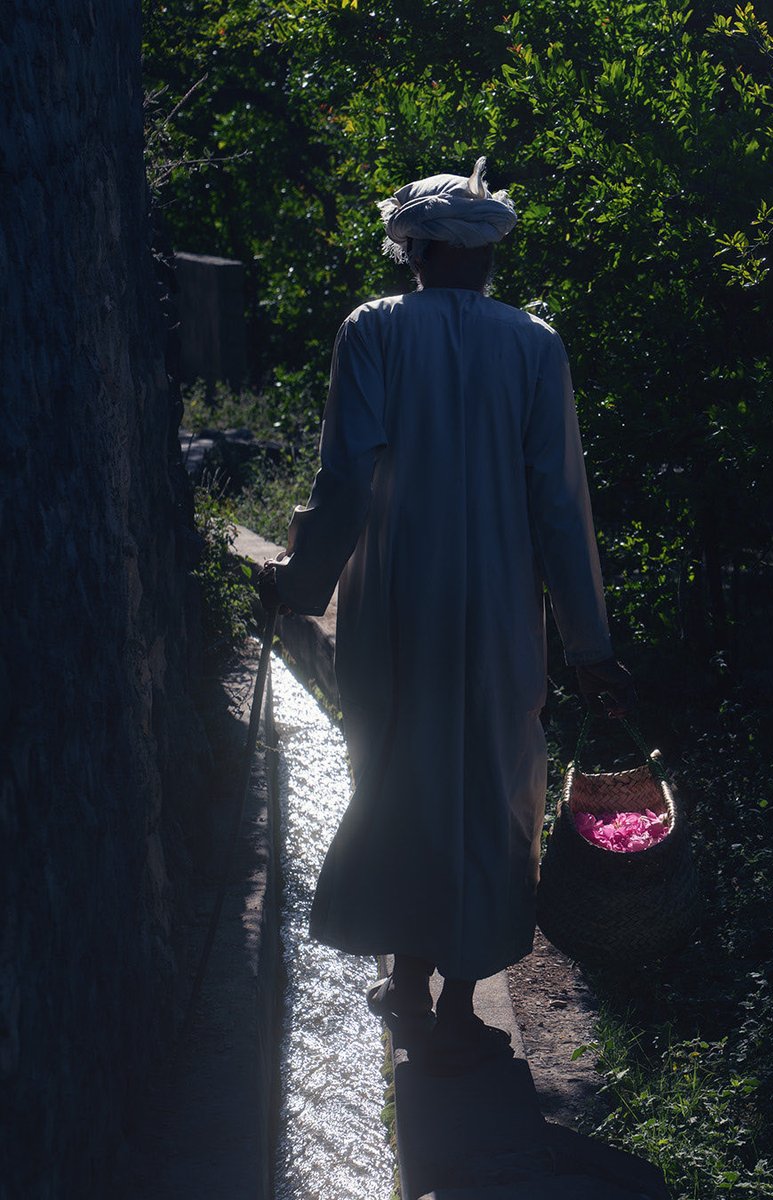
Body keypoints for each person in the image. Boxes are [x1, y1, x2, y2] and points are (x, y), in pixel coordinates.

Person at [259, 157, 634, 1074]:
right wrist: (589, 643)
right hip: (504, 606)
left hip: (397, 603)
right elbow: (560, 503)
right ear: (487, 254)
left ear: (415, 247)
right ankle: (462, 1003)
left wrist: (299, 587)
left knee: (396, 775)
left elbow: (345, 482)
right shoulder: (534, 347)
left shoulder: (374, 331)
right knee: (491, 784)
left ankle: (410, 980)